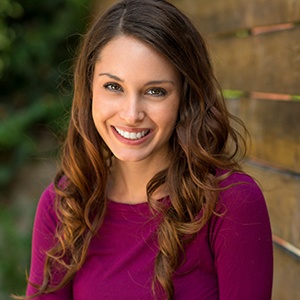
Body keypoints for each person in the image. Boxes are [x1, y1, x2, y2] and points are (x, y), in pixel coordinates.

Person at [21, 0, 273, 299]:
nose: (131, 113)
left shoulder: (231, 203)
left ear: (186, 97)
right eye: (113, 87)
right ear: (89, 89)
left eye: (155, 91)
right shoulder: (65, 205)